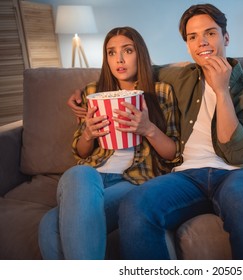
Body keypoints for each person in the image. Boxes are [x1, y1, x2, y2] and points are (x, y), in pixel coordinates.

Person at [116, 4, 243, 260]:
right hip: (187, 176)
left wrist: (222, 91)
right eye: (193, 37)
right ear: (187, 46)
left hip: (238, 173)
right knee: (134, 206)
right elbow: (136, 70)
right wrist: (83, 92)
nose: (202, 42)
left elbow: (237, 153)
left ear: (225, 37)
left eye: (210, 33)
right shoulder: (180, 76)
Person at [38, 26, 181, 260]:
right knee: (80, 173)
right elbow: (80, 152)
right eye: (111, 53)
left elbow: (172, 153)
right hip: (92, 176)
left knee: (49, 225)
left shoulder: (160, 91)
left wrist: (148, 129)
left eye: (127, 50)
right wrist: (88, 134)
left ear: (140, 54)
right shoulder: (93, 92)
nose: (120, 59)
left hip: (134, 179)